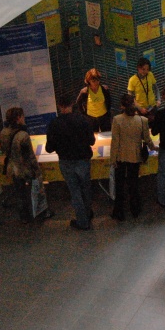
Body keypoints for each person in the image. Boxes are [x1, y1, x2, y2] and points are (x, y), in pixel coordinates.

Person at [46, 96, 97, 231]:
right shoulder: (83, 120)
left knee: (75, 192)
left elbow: (49, 148)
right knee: (86, 188)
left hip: (66, 161)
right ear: (72, 104)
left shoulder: (54, 124)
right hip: (83, 160)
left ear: (59, 106)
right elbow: (92, 141)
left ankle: (82, 221)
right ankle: (87, 214)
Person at [0, 107, 54, 224]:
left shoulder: (3, 132)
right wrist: (36, 170)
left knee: (20, 193)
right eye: (23, 116)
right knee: (36, 190)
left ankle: (24, 216)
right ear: (18, 118)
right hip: (24, 168)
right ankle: (41, 213)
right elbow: (30, 155)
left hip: (13, 167)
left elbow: (4, 150)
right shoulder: (23, 135)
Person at [109, 94, 156, 221]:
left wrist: (113, 159)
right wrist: (154, 148)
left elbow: (115, 142)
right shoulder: (142, 120)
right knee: (133, 185)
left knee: (119, 186)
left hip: (120, 156)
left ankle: (119, 212)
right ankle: (135, 209)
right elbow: (147, 139)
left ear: (122, 106)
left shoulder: (117, 120)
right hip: (135, 157)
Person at [75, 68, 112, 132]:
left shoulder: (104, 89)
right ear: (88, 81)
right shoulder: (84, 91)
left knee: (107, 135)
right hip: (91, 118)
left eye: (97, 80)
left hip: (104, 117)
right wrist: (84, 114)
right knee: (93, 137)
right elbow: (78, 103)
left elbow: (109, 101)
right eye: (93, 81)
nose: (96, 83)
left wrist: (108, 112)